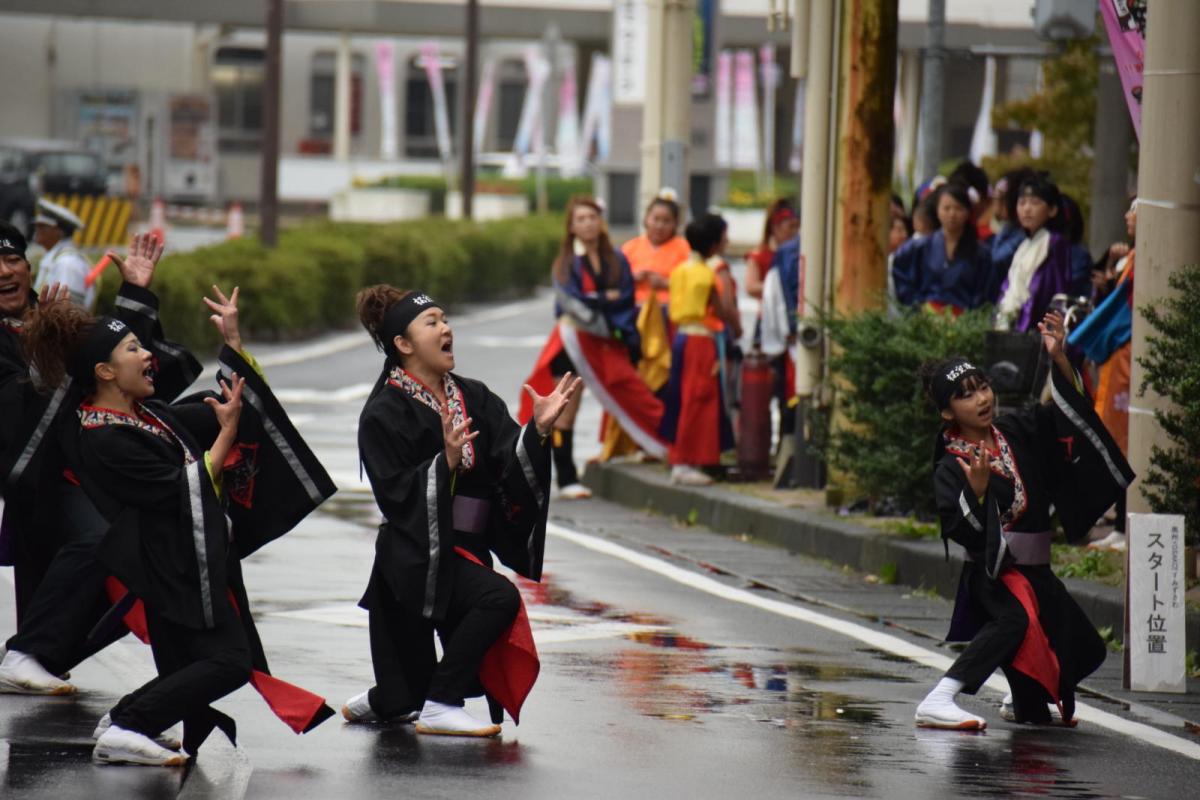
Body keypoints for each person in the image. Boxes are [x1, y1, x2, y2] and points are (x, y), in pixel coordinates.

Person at [23, 285, 336, 765]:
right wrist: (226, 433)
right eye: (133, 349)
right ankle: (130, 725)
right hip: (170, 566)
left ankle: (127, 718)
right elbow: (181, 488)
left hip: (183, 559)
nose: (148, 355)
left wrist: (232, 342)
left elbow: (230, 403)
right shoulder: (103, 437)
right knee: (230, 661)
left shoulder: (144, 416)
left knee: (194, 661)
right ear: (105, 372)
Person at [344, 286, 580, 737]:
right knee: (497, 599)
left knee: (419, 686)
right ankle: (438, 704)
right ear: (404, 343)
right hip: (414, 556)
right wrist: (445, 463)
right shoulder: (383, 412)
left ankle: (390, 699)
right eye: (431, 322)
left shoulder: (474, 396)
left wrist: (537, 432)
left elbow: (509, 459)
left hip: (466, 549)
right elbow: (394, 492)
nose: (446, 329)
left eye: (445, 319)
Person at [0, 232, 202, 696]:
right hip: (37, 476)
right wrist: (44, 362)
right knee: (103, 542)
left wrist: (135, 294)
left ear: (28, 267)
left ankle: (42, 653)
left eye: (12, 260)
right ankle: (28, 653)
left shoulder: (54, 315)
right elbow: (12, 407)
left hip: (88, 463)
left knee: (142, 547)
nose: (5, 272)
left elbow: (115, 360)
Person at [913, 310, 1131, 731]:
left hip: (1037, 570)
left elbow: (1067, 417)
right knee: (1014, 621)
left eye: (983, 387)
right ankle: (938, 698)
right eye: (966, 396)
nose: (982, 399)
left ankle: (1021, 696)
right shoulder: (952, 464)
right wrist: (976, 493)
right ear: (947, 413)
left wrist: (1059, 358)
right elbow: (960, 530)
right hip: (997, 572)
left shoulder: (1015, 428)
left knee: (1087, 648)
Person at [522, 197, 668, 493]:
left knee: (632, 390)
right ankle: (566, 478)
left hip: (606, 342)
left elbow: (625, 298)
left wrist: (607, 311)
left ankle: (668, 444)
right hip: (572, 341)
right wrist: (603, 299)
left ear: (600, 222)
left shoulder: (616, 258)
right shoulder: (565, 263)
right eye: (581, 219)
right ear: (572, 227)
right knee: (566, 410)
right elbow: (572, 303)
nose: (588, 223)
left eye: (592, 217)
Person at [1070, 198, 1137, 552]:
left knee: (1126, 442)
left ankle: (1127, 525)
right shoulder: (1131, 260)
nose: (1127, 215)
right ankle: (1120, 523)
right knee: (1116, 440)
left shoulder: (1142, 259)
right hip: (1119, 359)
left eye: (1135, 209)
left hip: (1128, 358)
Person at [659, 214, 738, 486]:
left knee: (682, 397)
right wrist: (735, 327)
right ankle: (685, 461)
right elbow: (723, 309)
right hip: (701, 341)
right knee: (699, 398)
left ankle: (682, 457)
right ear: (714, 244)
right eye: (723, 238)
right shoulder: (707, 274)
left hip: (681, 337)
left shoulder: (680, 269)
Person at [891, 183, 992, 315]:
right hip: (926, 317)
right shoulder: (920, 247)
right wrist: (917, 306)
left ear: (967, 212)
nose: (952, 214)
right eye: (946, 208)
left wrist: (969, 315)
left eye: (958, 208)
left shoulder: (981, 253)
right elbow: (901, 271)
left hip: (964, 319)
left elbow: (985, 293)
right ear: (937, 210)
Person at [993, 174, 1074, 332]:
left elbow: (1049, 291)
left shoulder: (1054, 243)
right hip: (1015, 323)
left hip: (1036, 327)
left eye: (1035, 203)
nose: (1027, 209)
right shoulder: (1024, 244)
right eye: (1022, 203)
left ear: (1052, 210)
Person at [622, 191, 691, 309]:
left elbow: (694, 282)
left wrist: (666, 283)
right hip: (634, 309)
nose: (660, 226)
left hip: (671, 310)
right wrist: (631, 278)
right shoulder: (629, 247)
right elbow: (615, 281)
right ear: (646, 219)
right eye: (656, 219)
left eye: (666, 221)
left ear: (675, 224)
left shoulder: (684, 248)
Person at [32, 198, 94, 309]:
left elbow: (67, 310)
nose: (37, 230)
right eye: (37, 225)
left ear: (59, 232)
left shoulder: (67, 263)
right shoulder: (56, 258)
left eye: (43, 226)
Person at [744, 199, 799, 300]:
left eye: (796, 227)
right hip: (771, 308)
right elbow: (751, 287)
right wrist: (782, 286)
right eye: (791, 227)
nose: (795, 232)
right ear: (775, 227)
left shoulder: (798, 253)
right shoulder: (758, 255)